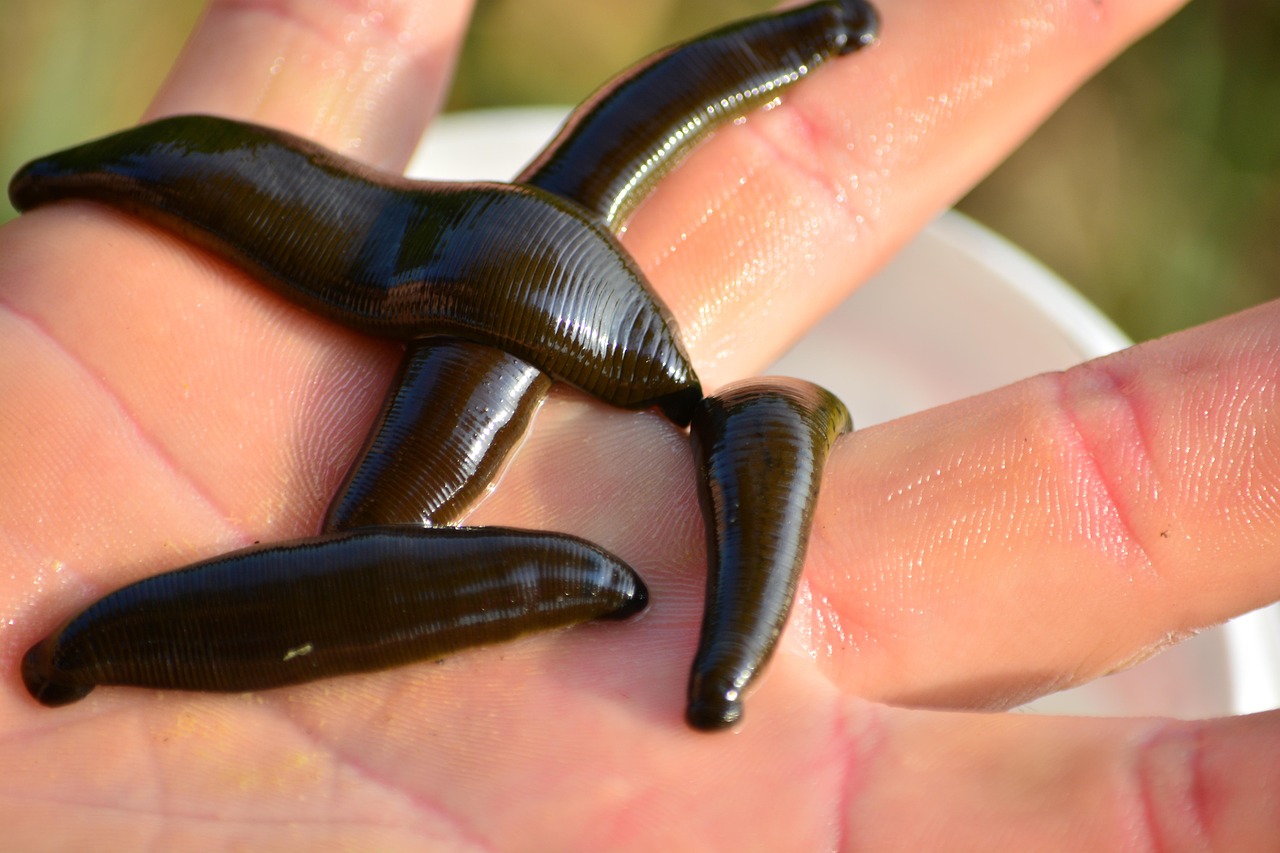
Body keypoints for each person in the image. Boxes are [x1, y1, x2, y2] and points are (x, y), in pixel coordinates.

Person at [2, 0, 1276, 847]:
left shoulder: (563, 334)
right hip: (517, 330)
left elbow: (621, 141)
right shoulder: (550, 325)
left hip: (523, 329)